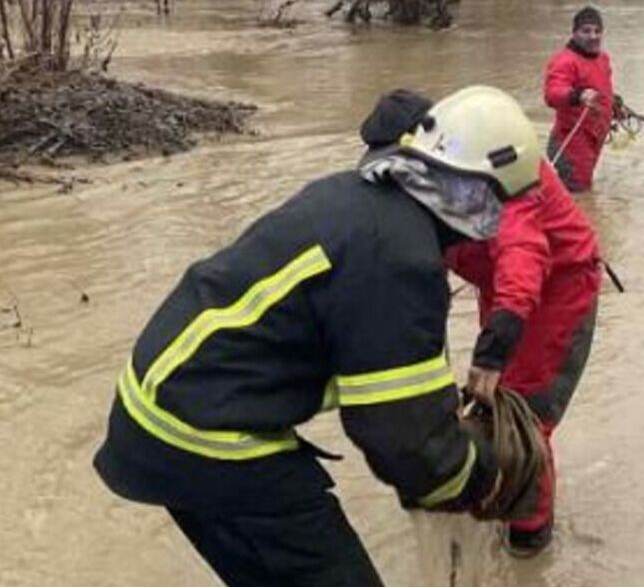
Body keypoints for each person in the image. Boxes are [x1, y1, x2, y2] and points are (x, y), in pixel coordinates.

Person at [94, 85, 543, 586]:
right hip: (206, 437)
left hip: (166, 413)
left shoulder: (360, 196)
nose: (497, 222)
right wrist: (477, 474)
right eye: (500, 203)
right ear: (480, 190)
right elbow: (402, 439)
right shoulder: (399, 259)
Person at [444, 152, 602, 556]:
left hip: (557, 294)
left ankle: (529, 534)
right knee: (496, 404)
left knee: (524, 417)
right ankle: (501, 492)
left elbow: (521, 256)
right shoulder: (439, 180)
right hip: (503, 291)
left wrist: (493, 352)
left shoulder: (505, 174)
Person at [543, 6, 616, 192]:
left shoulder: (603, 58)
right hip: (570, 142)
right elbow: (552, 94)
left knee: (584, 191)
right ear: (574, 33)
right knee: (579, 197)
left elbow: (603, 91)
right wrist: (578, 95)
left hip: (594, 137)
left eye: (597, 31)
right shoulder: (564, 61)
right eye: (586, 31)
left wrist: (615, 107)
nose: (593, 36)